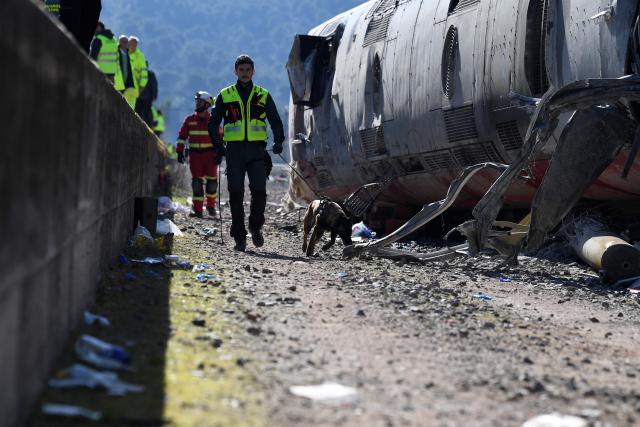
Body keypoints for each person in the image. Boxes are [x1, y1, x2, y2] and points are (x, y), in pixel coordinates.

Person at [208, 54, 284, 252]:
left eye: (248, 70)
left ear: (253, 72)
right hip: (234, 152)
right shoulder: (225, 94)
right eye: (241, 70)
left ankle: (255, 226)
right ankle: (239, 237)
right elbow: (213, 122)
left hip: (257, 151)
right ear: (235, 71)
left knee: (259, 192)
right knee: (236, 195)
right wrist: (218, 146)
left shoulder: (262, 94)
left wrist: (278, 141)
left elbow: (275, 120)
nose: (244, 73)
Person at [177, 92, 220, 218]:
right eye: (196, 102)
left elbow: (220, 138)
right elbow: (182, 137)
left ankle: (211, 206)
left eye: (200, 102)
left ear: (207, 104)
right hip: (195, 156)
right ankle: (198, 210)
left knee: (212, 183)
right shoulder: (189, 120)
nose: (197, 104)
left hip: (210, 156)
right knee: (197, 184)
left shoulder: (213, 120)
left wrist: (220, 153)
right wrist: (179, 151)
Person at [89, 22, 123, 87]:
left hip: (100, 72)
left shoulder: (98, 39)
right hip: (112, 73)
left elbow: (93, 56)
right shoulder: (113, 39)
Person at [117, 35, 138, 108]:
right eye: (123, 42)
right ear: (119, 42)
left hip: (127, 83)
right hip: (118, 82)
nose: (125, 44)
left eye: (126, 42)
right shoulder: (116, 51)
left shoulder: (128, 54)